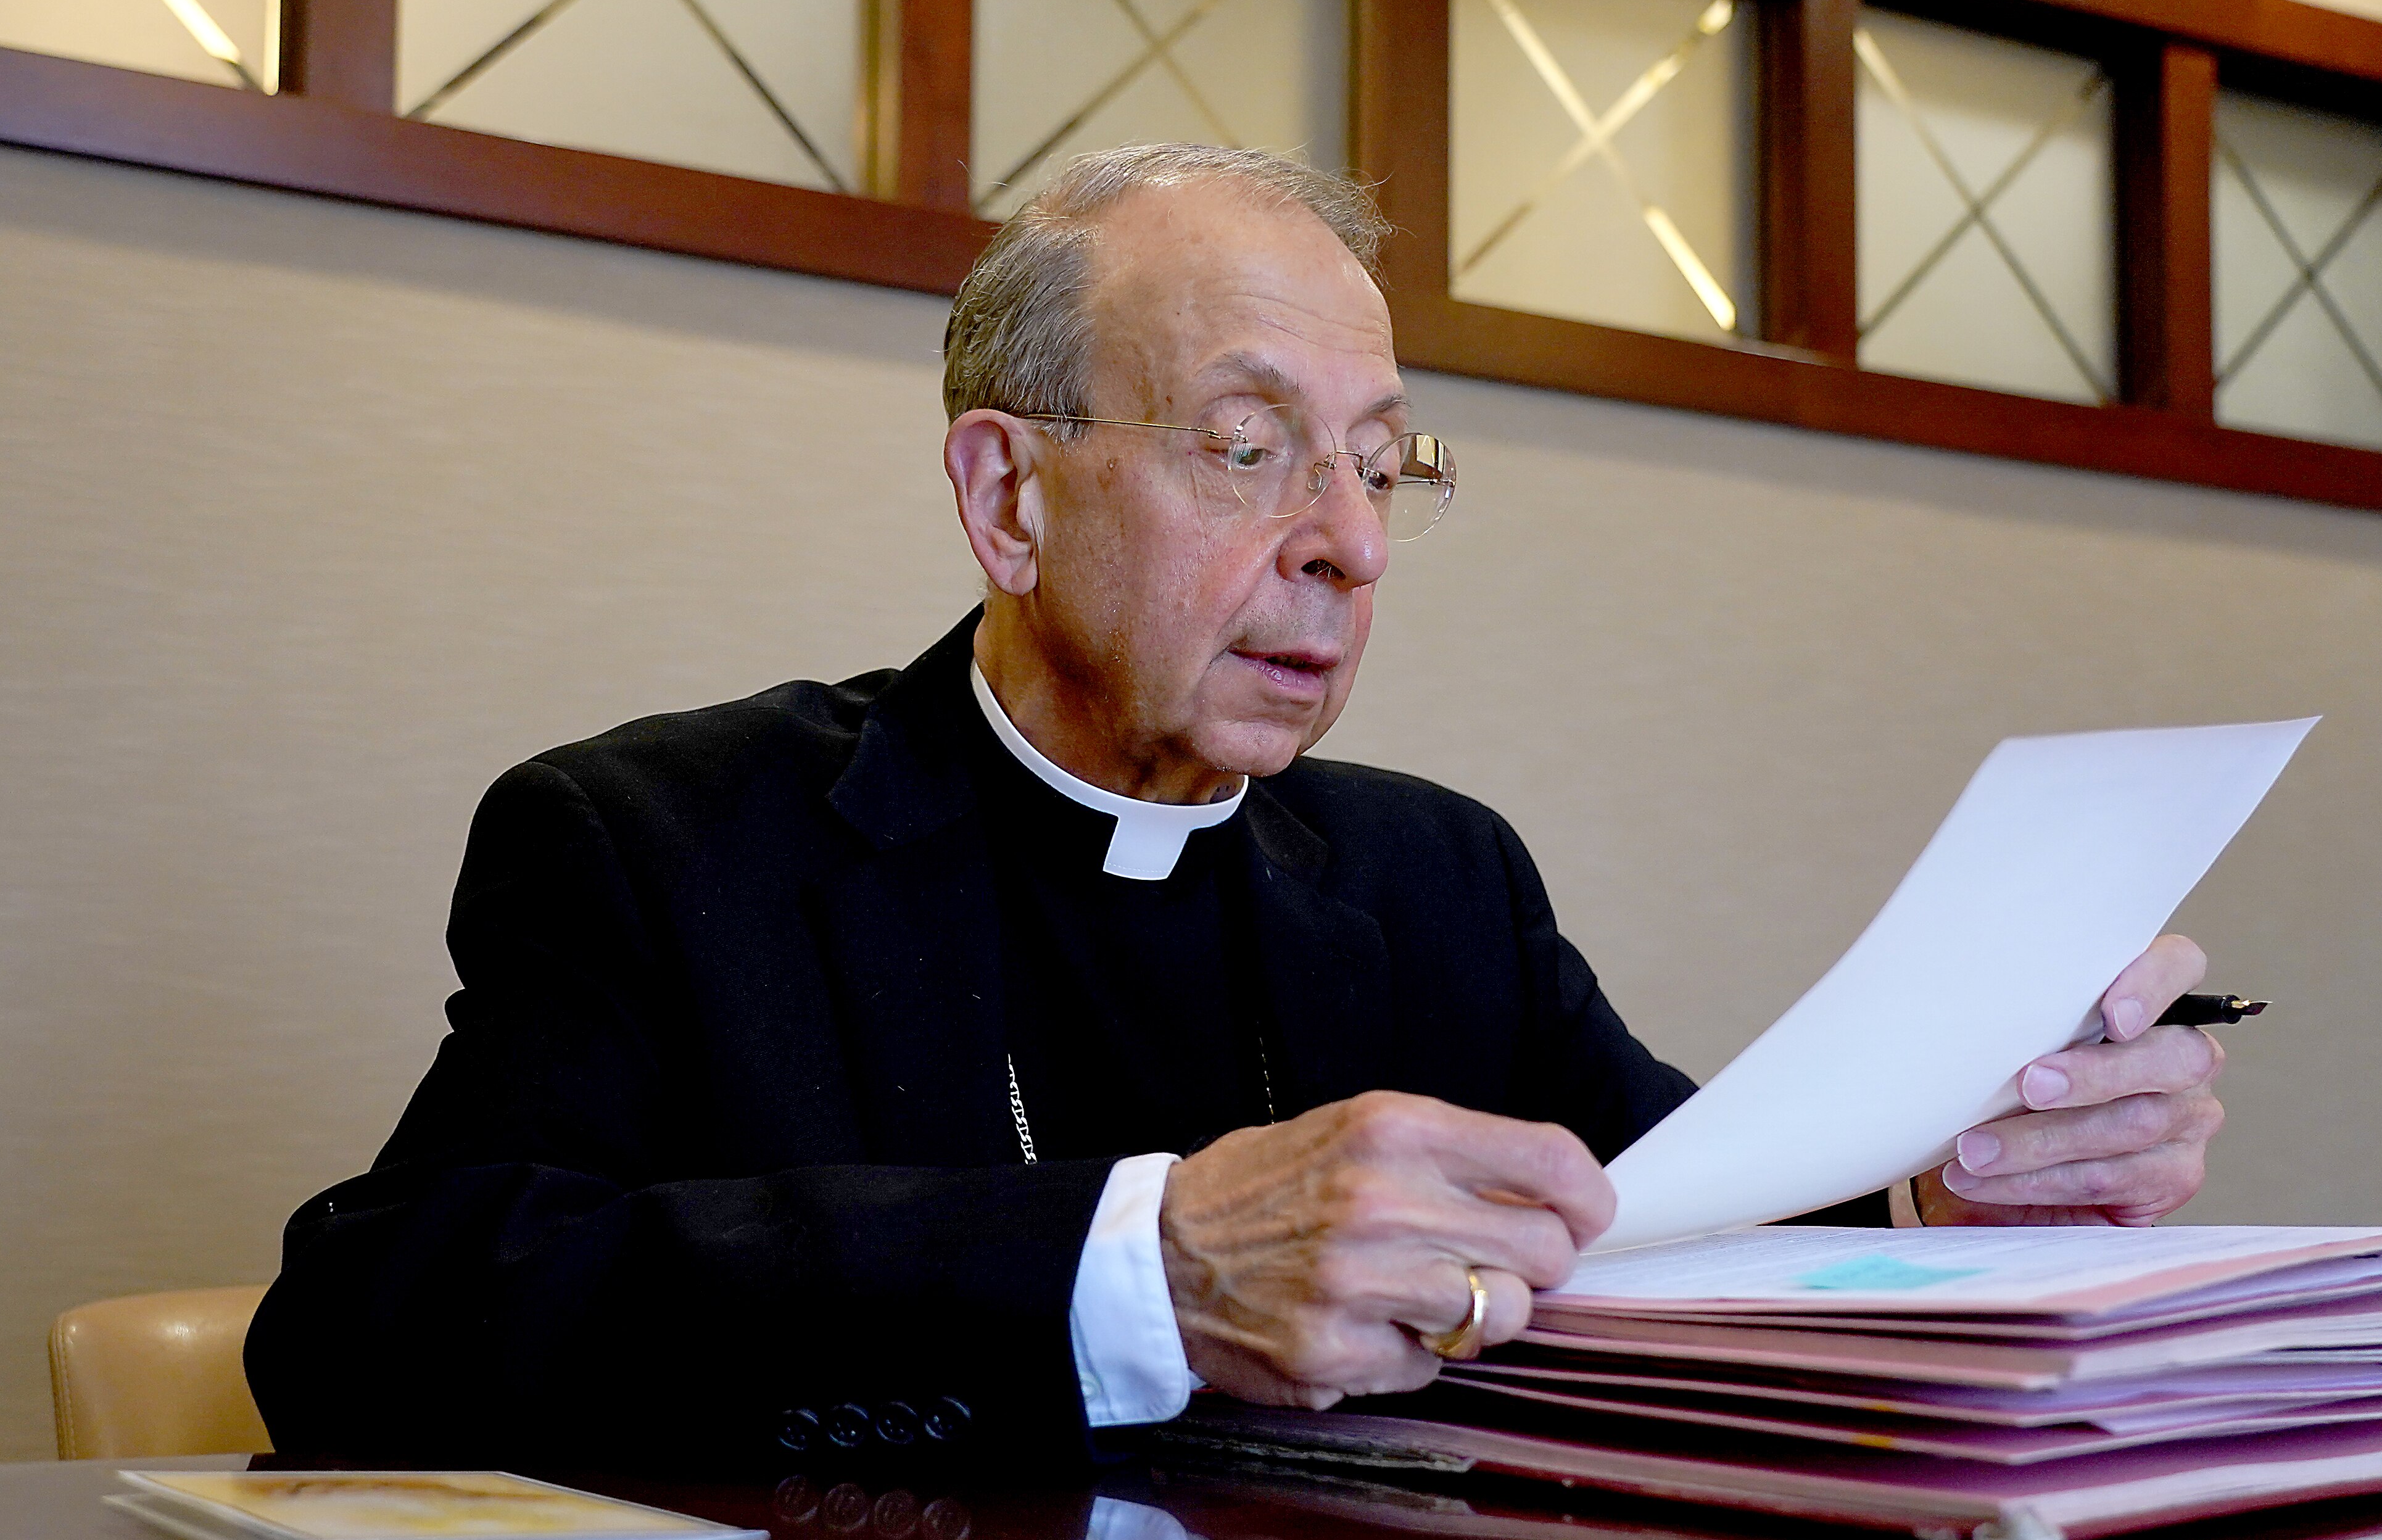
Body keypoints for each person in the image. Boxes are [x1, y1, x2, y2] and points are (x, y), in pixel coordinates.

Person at [244, 144, 2228, 1472]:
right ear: (1009, 499)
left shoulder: (1426, 871)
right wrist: (1135, 1267)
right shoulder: (662, 837)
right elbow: (364, 1329)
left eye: (1383, 466)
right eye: (1250, 449)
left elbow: (1655, 1221)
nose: (1347, 547)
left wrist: (1929, 1189)